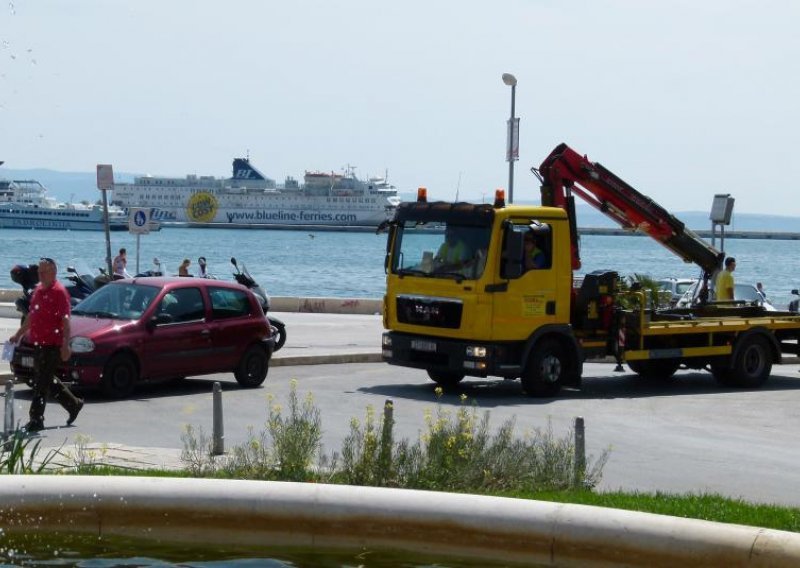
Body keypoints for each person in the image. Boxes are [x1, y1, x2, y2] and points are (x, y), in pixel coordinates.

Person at [8, 257, 83, 432]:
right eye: (39, 272)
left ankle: (36, 419)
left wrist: (65, 344)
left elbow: (65, 320)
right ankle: (73, 404)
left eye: (44, 272)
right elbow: (31, 317)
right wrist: (17, 335)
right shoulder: (38, 291)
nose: (40, 275)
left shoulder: (59, 292)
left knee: (40, 383)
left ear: (53, 273)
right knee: (45, 379)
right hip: (39, 343)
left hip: (53, 344)